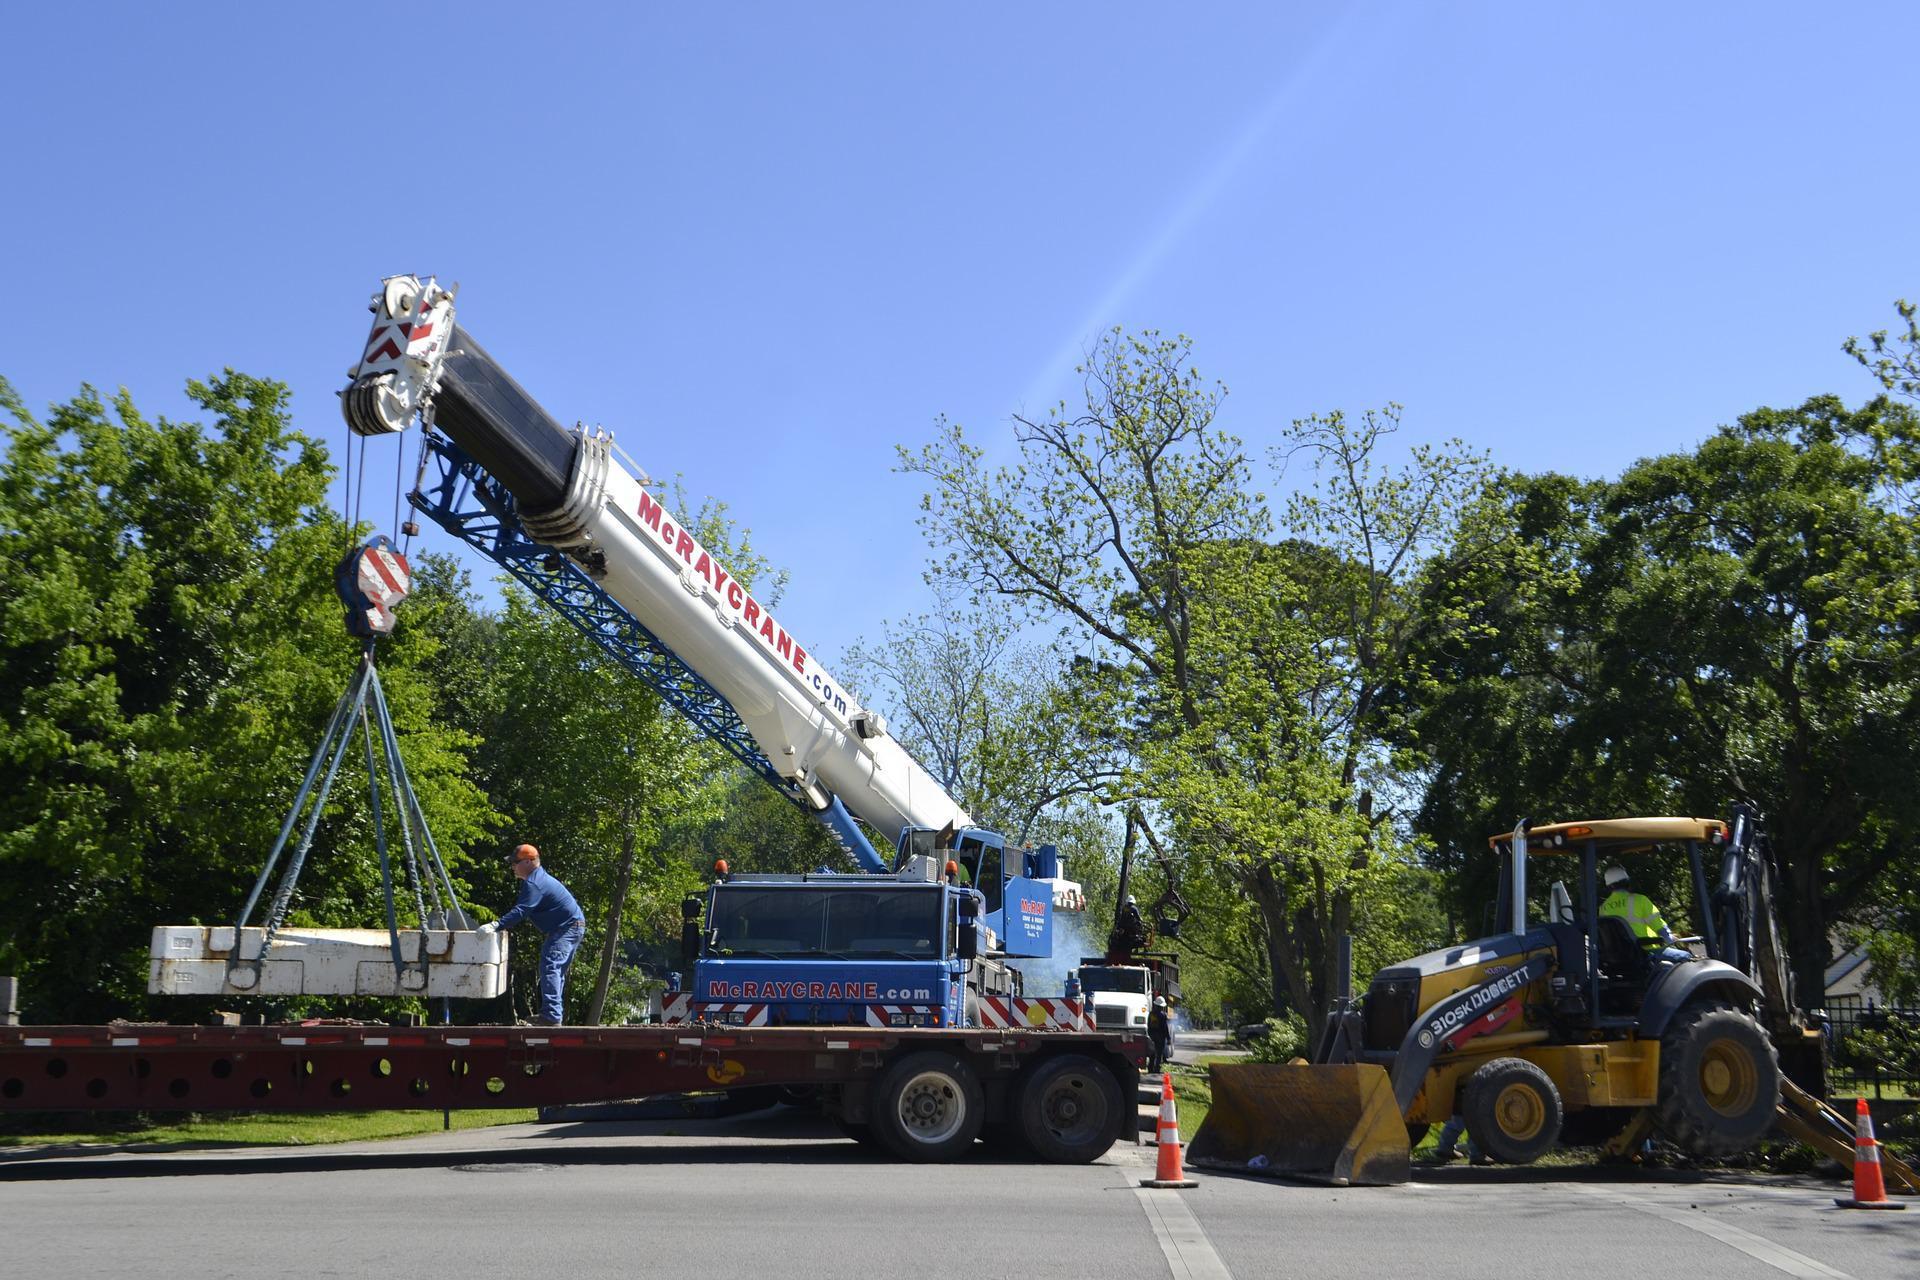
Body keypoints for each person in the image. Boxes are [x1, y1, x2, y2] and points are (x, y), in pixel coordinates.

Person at [478, 843, 585, 1026]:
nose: (512, 866)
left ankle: (551, 1016)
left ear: (529, 862)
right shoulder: (537, 879)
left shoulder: (534, 883)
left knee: (551, 965)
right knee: (555, 969)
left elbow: (522, 910)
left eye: (515, 862)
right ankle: (552, 1014)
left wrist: (495, 925)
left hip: (566, 927)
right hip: (571, 926)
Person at [1599, 864, 1690, 961]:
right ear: (1627, 882)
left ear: (1609, 886)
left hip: (1619, 958)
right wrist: (1670, 938)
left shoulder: (1603, 908)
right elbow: (1659, 926)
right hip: (1645, 953)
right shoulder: (1639, 900)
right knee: (1686, 956)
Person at [1107, 894, 1150, 961]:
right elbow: (1138, 918)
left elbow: (1122, 917)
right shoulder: (1134, 908)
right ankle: (1138, 945)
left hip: (1123, 927)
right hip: (1131, 928)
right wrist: (1141, 921)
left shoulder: (1124, 908)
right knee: (1140, 929)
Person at [1147, 994, 1172, 1072]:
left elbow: (1148, 1025)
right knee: (1159, 1053)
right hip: (1160, 1036)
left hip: (1151, 1035)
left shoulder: (1151, 1014)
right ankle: (1157, 1069)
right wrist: (1168, 1038)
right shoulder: (1162, 1015)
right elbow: (1165, 1028)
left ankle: (1150, 1068)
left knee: (1152, 1053)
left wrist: (1149, 1034)